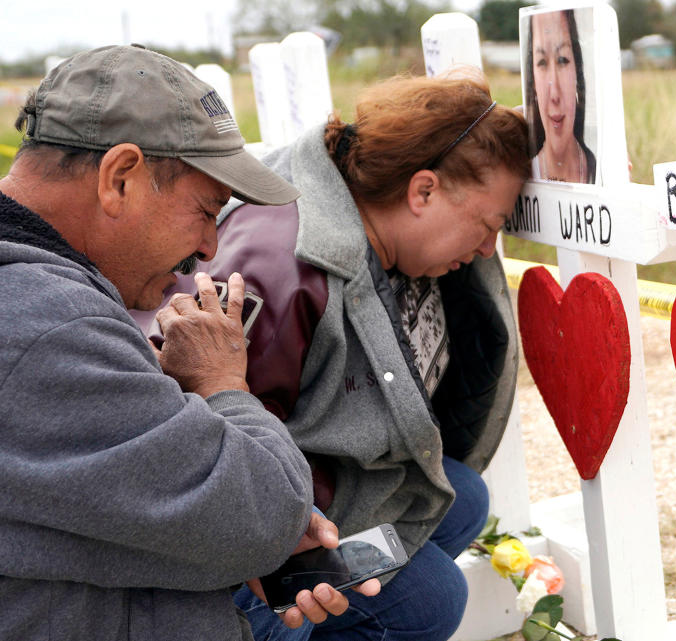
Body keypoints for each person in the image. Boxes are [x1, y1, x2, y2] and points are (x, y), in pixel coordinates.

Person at [0, 44, 376, 641]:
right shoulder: (51, 326)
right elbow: (267, 513)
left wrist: (215, 539)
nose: (208, 247)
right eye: (206, 210)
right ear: (119, 178)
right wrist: (222, 381)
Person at [142, 71, 531, 640]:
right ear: (422, 191)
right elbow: (209, 454)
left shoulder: (363, 221)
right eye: (489, 223)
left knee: (462, 496)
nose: (487, 249)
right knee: (435, 598)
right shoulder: (283, 273)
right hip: (243, 543)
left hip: (310, 477)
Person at [526, 9, 597, 183]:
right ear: (533, 80)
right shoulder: (522, 180)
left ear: (578, 73)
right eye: (541, 62)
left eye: (563, 60)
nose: (554, 94)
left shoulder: (600, 170)